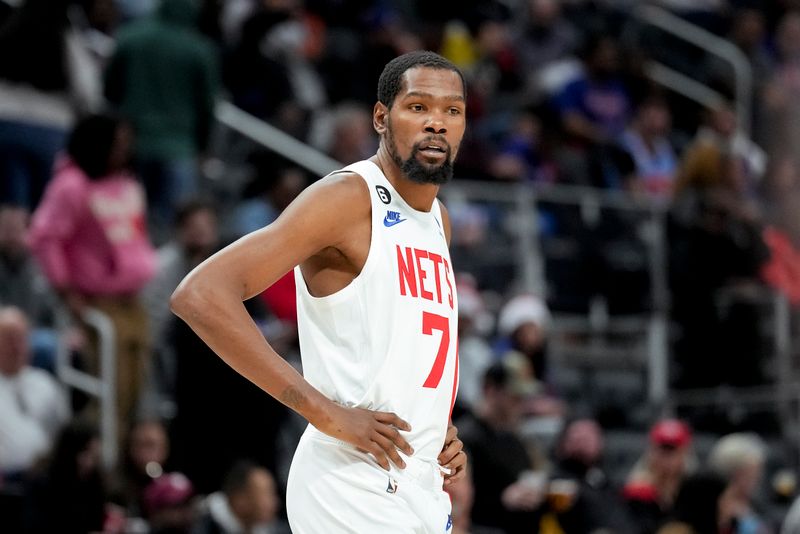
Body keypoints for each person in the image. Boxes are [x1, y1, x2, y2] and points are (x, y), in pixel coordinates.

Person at [170, 50, 468, 533]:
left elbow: (404, 345)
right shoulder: (348, 197)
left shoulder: (438, 221)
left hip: (418, 483)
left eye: (451, 111)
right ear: (381, 117)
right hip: (351, 481)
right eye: (418, 107)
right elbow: (200, 293)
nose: (436, 123)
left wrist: (437, 425)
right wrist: (323, 412)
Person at [0, 306, 70, 477]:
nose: (16, 347)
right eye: (9, 339)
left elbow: (59, 430)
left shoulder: (45, 383)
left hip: (41, 478)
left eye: (21, 339)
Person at [193, 460, 290, 534]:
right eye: (266, 495)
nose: (276, 502)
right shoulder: (202, 527)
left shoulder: (273, 529)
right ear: (240, 500)